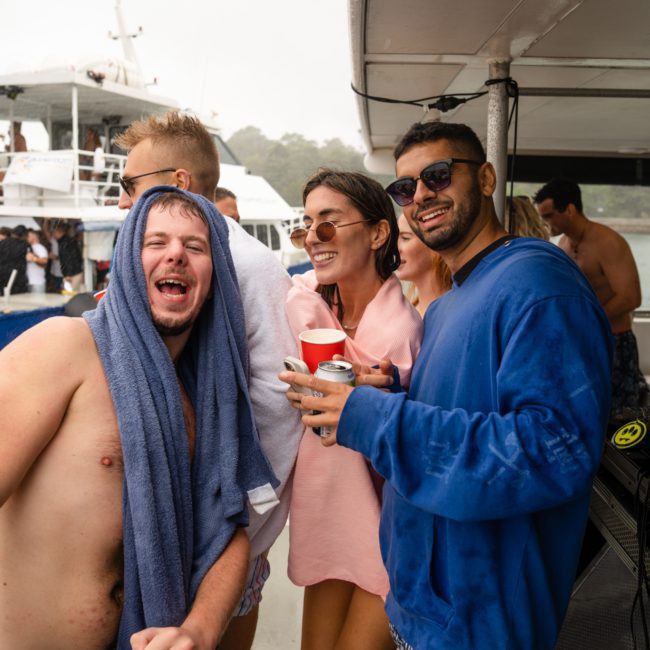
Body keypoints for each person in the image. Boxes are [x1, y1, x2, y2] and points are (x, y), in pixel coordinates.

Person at [281, 122, 614, 650]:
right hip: (426, 607)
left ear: (485, 178)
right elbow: (466, 412)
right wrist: (391, 395)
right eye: (404, 188)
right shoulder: (452, 301)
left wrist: (374, 417)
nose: (420, 197)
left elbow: (554, 450)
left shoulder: (539, 286)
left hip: (484, 621)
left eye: (437, 176)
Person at [0, 189, 278, 648]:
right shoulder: (63, 347)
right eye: (156, 243)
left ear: (216, 279)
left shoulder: (206, 399)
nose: (176, 255)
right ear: (128, 261)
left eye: (195, 247)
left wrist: (199, 629)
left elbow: (228, 528)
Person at [114, 111, 302, 650]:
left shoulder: (245, 266)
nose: (123, 202)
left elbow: (270, 403)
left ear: (178, 184)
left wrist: (238, 533)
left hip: (216, 537)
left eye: (131, 186)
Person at [285, 169, 422, 649]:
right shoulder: (307, 306)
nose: (312, 239)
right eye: (304, 227)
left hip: (385, 528)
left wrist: (381, 399)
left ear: (378, 232)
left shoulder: (402, 333)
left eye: (328, 223)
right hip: (328, 517)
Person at [534, 178, 648, 409]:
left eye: (548, 216)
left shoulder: (608, 242)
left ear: (570, 210)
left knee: (619, 417)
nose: (545, 223)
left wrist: (588, 321)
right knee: (585, 412)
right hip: (580, 341)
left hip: (615, 342)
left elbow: (631, 297)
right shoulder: (563, 245)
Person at [396, 213, 451, 316]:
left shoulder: (457, 310)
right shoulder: (401, 316)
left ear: (434, 243)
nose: (394, 249)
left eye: (405, 238)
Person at [52, 221, 84, 291]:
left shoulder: (65, 243)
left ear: (59, 231)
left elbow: (68, 259)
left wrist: (68, 274)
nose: (53, 234)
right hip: (75, 272)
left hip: (73, 274)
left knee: (70, 295)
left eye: (54, 232)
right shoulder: (66, 241)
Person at [0, 225, 28, 294]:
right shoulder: (24, 245)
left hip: (2, 275)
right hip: (17, 276)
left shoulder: (2, 243)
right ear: (23, 235)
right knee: (17, 298)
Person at [25, 228, 49, 293]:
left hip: (37, 282)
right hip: (29, 282)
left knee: (37, 302)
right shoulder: (29, 247)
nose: (26, 237)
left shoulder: (40, 247)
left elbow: (45, 261)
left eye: (28, 236)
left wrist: (33, 258)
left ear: (34, 236)